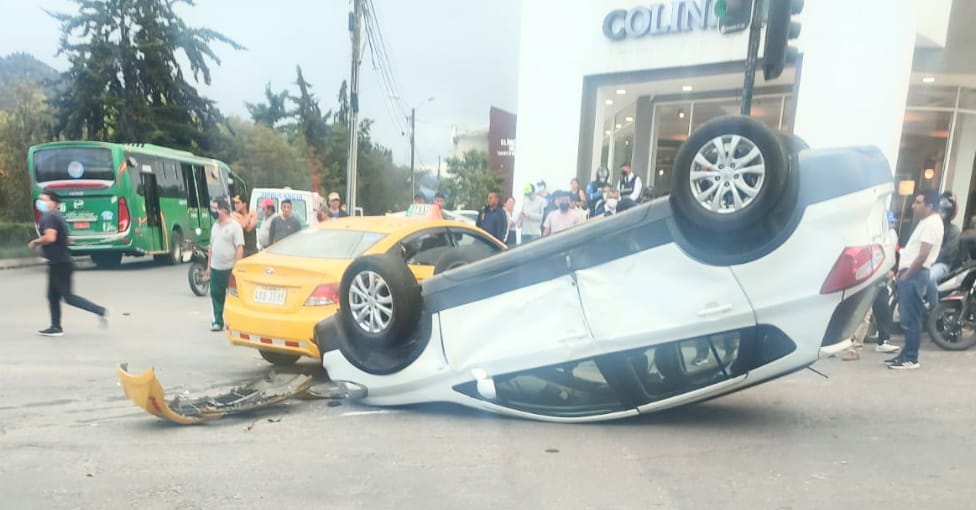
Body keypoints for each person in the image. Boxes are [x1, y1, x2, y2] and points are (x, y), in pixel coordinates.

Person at [29, 191, 108, 336]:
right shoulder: (57, 217)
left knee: (68, 297)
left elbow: (50, 237)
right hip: (60, 262)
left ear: (53, 203)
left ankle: (99, 310)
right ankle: (55, 327)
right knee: (52, 296)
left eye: (43, 200)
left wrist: (35, 242)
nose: (40, 202)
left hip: (59, 263)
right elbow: (67, 239)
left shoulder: (49, 217)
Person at [888, 191, 943, 370]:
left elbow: (922, 255)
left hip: (915, 275)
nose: (914, 206)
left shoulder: (932, 224)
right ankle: (906, 354)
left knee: (911, 318)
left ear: (930, 206)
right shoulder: (925, 223)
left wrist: (907, 275)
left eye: (919, 203)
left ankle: (911, 358)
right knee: (908, 317)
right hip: (911, 274)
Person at [207, 198, 243, 332]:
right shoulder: (215, 226)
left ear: (224, 210)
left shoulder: (235, 227)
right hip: (216, 268)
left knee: (234, 296)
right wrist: (208, 266)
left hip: (230, 268)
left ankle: (235, 322)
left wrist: (237, 267)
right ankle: (217, 321)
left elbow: (239, 247)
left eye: (216, 209)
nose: (215, 212)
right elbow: (211, 247)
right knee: (216, 295)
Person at [926, 194, 961, 308]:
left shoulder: (954, 231)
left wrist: (931, 259)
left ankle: (933, 307)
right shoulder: (931, 225)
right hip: (927, 260)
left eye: (945, 210)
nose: (942, 213)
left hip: (942, 264)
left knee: (930, 278)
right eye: (940, 209)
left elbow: (947, 253)